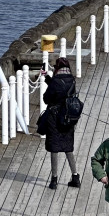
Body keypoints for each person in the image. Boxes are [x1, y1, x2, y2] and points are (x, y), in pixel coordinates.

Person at [37, 57, 80, 190]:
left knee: (54, 147)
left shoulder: (56, 81)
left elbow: (46, 98)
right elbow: (62, 90)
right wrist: (48, 78)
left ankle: (54, 180)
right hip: (68, 117)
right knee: (68, 147)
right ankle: (75, 176)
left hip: (54, 118)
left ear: (57, 68)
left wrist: (50, 81)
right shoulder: (72, 80)